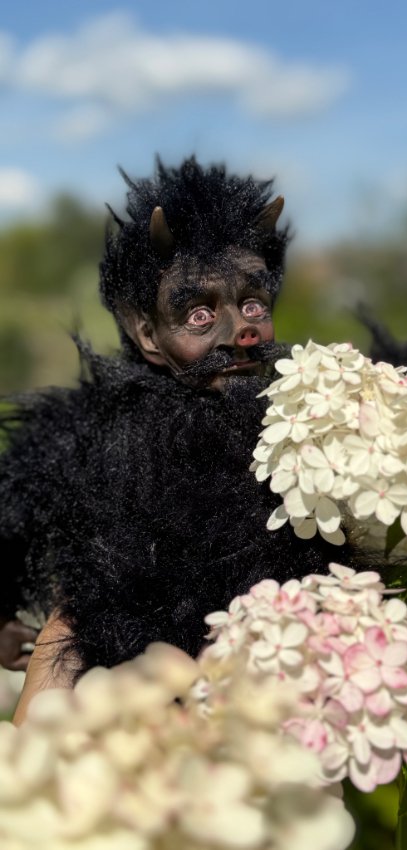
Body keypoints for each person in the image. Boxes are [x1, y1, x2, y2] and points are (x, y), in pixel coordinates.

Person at [0, 157, 350, 717]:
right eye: (199, 314)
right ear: (148, 333)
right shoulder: (95, 436)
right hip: (127, 715)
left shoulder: (309, 420)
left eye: (253, 303)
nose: (243, 330)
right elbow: (12, 506)